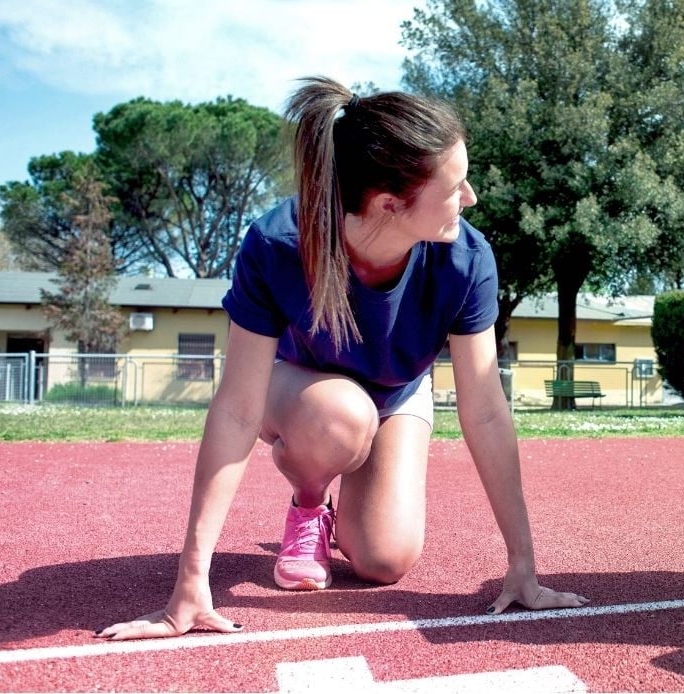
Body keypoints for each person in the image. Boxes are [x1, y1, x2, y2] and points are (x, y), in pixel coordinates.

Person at [97, 76, 588, 640]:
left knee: (385, 560)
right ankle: (309, 503)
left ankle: (345, 515)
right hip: (300, 395)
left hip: (397, 390)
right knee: (343, 415)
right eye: (455, 186)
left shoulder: (467, 259)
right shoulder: (279, 243)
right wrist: (190, 582)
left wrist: (522, 566)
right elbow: (236, 408)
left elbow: (485, 412)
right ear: (388, 203)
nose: (471, 198)